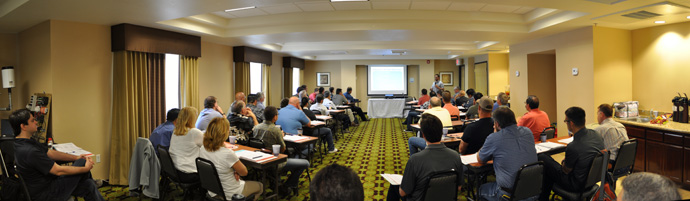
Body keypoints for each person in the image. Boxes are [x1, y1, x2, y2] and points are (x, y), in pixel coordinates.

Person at [10, 109, 104, 201]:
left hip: (47, 185)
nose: (36, 122)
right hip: (46, 194)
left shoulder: (23, 142)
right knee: (83, 162)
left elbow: (50, 153)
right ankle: (89, 178)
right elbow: (58, 171)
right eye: (32, 120)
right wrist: (86, 168)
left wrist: (76, 157)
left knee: (88, 185)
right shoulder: (30, 151)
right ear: (23, 126)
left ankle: (90, 181)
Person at [388, 114, 464, 201]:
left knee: (394, 186)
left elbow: (403, 192)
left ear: (423, 136)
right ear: (442, 132)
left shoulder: (415, 159)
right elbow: (458, 187)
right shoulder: (455, 156)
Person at [538, 107, 604, 201]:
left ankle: (543, 198)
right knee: (549, 163)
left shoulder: (573, 146)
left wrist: (565, 162)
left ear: (571, 123)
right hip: (591, 181)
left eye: (566, 121)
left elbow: (566, 170)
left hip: (575, 185)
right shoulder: (595, 135)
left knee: (543, 159)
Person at [476, 107, 537, 201]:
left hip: (508, 195)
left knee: (480, 190)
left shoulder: (494, 137)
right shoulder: (528, 132)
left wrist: (494, 134)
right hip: (533, 191)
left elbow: (480, 158)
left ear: (496, 124)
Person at [199, 117, 263, 200]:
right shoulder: (227, 154)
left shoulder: (203, 148)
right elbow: (244, 172)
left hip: (213, 191)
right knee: (260, 186)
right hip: (231, 193)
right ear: (224, 133)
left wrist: (235, 170)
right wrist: (236, 171)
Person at [252, 106, 310, 195]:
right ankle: (287, 185)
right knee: (305, 163)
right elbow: (283, 149)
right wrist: (281, 137)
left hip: (260, 161)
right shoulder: (276, 130)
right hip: (275, 162)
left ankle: (277, 183)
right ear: (275, 117)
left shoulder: (256, 127)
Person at [169, 107, 203, 184]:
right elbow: (210, 148)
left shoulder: (176, 131)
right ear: (191, 119)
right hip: (189, 174)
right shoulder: (195, 132)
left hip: (175, 171)